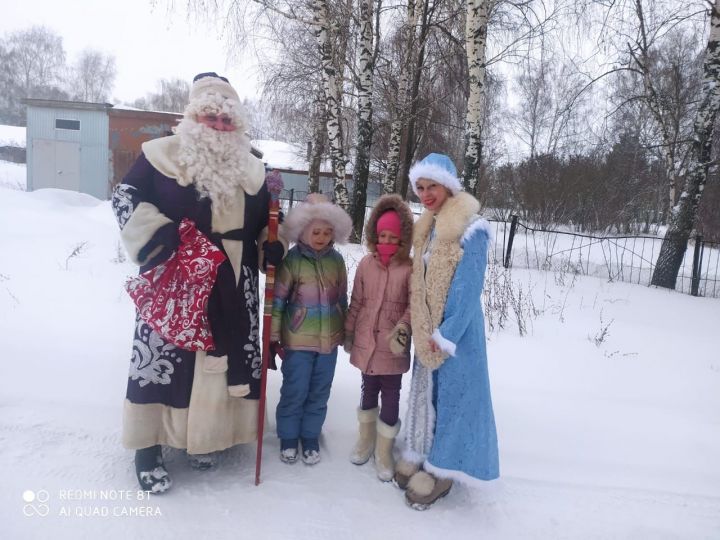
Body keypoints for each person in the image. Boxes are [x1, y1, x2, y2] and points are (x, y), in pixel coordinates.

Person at [112, 72, 286, 493]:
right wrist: (160, 236)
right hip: (176, 276)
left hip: (233, 275)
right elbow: (125, 198)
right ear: (193, 118)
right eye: (211, 118)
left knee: (224, 355)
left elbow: (266, 224)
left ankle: (207, 436)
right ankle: (149, 446)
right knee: (166, 360)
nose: (219, 127)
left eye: (227, 121)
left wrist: (270, 247)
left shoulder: (253, 169)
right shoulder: (159, 155)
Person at [394, 153, 499, 510]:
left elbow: (468, 290)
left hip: (458, 335)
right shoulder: (428, 226)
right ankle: (422, 451)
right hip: (429, 330)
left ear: (448, 185)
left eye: (431, 186)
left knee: (455, 400)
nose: (425, 194)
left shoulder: (472, 227)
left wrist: (446, 335)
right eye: (420, 187)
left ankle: (443, 470)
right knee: (429, 396)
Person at [270, 193, 352, 465]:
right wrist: (274, 336)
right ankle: (289, 436)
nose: (322, 237)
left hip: (328, 342)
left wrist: (345, 329)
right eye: (316, 231)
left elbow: (342, 298)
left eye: (328, 232)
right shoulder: (292, 261)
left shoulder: (336, 261)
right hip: (297, 340)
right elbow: (278, 301)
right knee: (295, 389)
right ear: (303, 230)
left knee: (320, 390)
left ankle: (310, 436)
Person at [344, 194, 414, 481]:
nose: (386, 241)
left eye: (393, 237)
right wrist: (348, 330)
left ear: (402, 240)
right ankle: (366, 439)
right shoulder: (365, 265)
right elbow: (357, 301)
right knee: (368, 389)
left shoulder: (408, 268)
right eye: (382, 235)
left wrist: (402, 329)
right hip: (366, 342)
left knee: (392, 395)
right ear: (375, 235)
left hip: (391, 346)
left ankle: (385, 449)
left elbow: (412, 304)